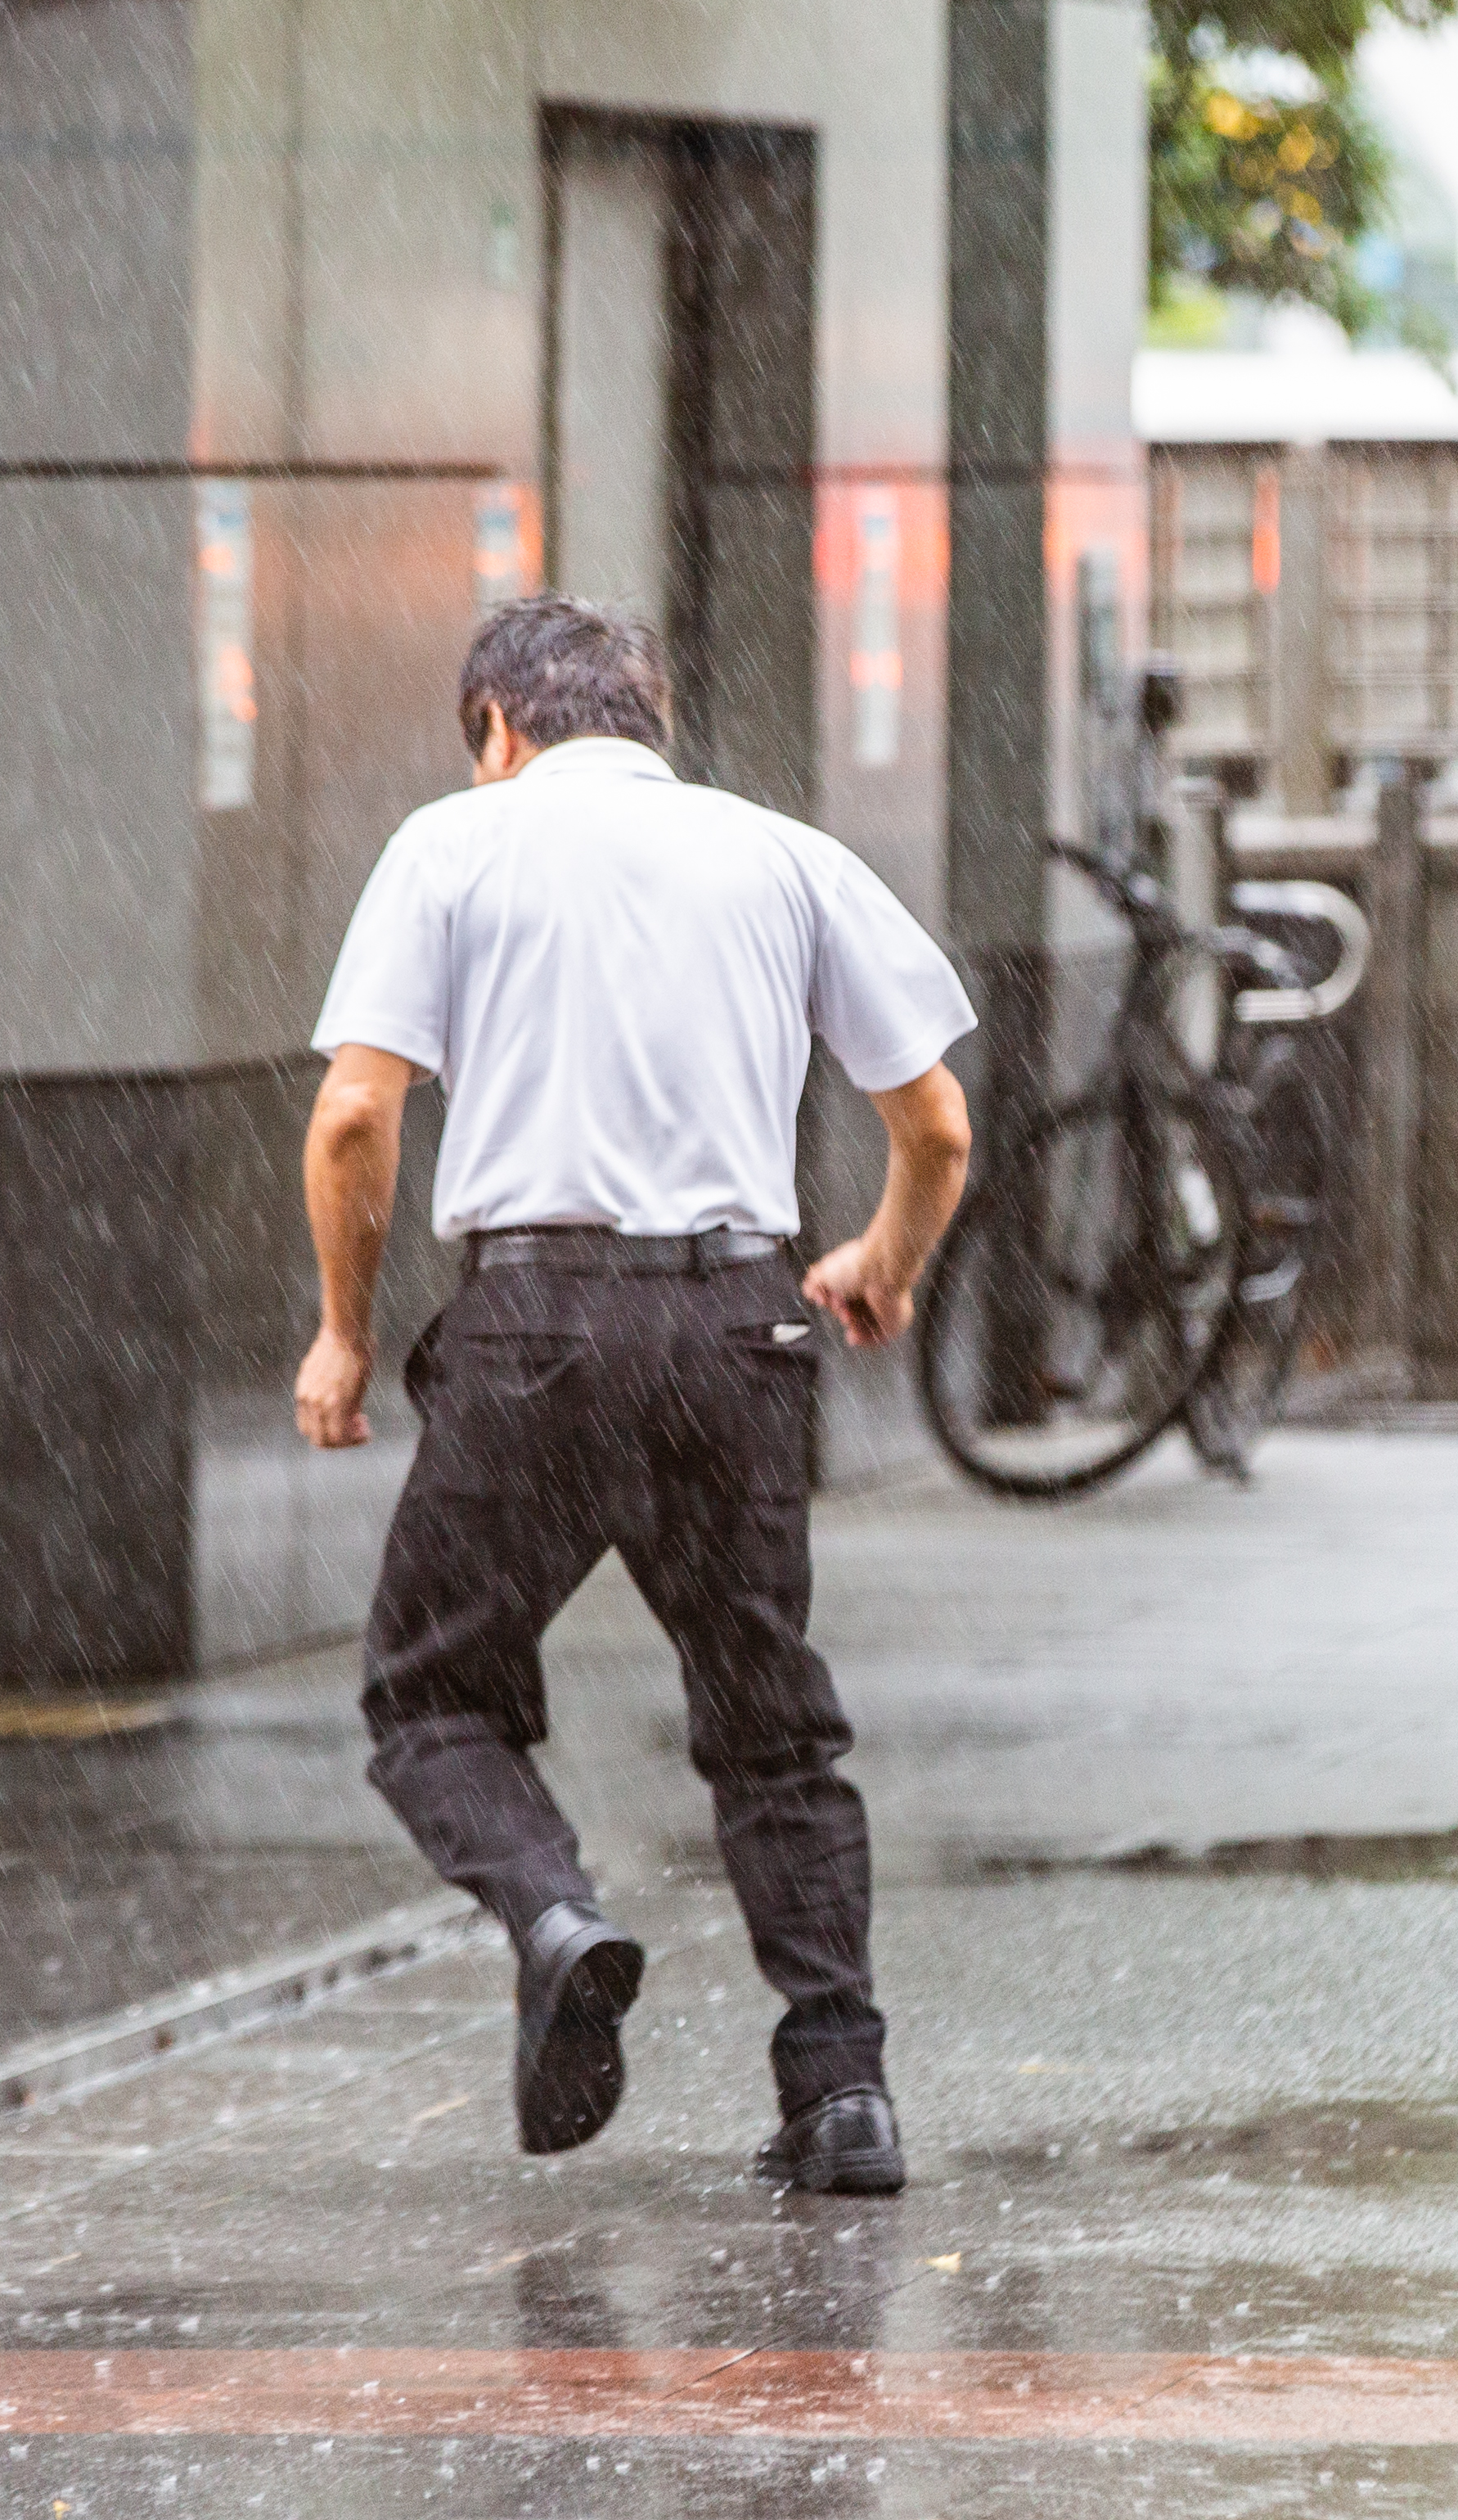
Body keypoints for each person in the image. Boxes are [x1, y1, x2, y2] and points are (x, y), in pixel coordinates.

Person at [294, 594, 974, 2197]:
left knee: (431, 1696)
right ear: (644, 722)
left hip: (532, 1326)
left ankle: (551, 1913)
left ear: (495, 728)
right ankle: (841, 2092)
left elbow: (352, 1119)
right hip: (739, 1324)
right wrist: (883, 1259)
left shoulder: (450, 848)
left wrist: (341, 1332)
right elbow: (936, 1125)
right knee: (768, 1726)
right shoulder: (781, 856)